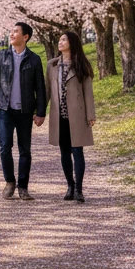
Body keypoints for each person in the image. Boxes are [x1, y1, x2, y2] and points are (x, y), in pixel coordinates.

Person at [0, 21, 47, 200]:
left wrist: (41, 112)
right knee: (5, 147)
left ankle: (23, 186)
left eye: (16, 32)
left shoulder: (34, 59)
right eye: (11, 32)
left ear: (25, 37)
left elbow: (40, 88)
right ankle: (9, 181)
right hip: (5, 109)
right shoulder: (1, 56)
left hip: (25, 111)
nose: (11, 34)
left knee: (25, 150)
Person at [47, 31, 96, 203]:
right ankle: (70, 185)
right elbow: (47, 92)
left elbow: (88, 92)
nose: (60, 42)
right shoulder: (52, 65)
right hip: (59, 116)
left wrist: (91, 114)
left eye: (64, 39)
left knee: (78, 152)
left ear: (72, 43)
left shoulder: (82, 65)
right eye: (59, 39)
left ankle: (79, 189)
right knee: (64, 152)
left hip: (77, 114)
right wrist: (39, 113)